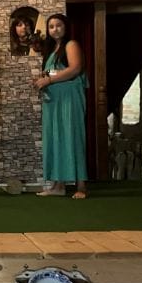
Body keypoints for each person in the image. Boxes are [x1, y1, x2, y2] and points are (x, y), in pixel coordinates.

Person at [34, 13, 89, 199]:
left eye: (58, 25)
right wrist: (42, 79)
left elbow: (75, 68)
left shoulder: (71, 44)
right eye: (51, 26)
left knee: (73, 136)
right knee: (56, 138)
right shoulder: (51, 50)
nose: (55, 29)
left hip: (70, 99)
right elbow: (56, 71)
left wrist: (49, 80)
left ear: (65, 27)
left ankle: (81, 186)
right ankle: (58, 185)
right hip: (53, 101)